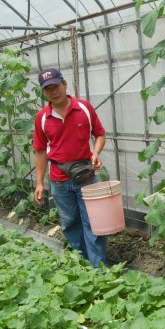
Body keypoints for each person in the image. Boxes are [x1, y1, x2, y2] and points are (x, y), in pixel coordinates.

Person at [32, 68, 108, 267]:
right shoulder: (42, 117)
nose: (53, 92)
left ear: (64, 84)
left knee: (93, 223)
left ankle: (99, 268)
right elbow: (40, 151)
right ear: (43, 93)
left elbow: (100, 134)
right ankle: (82, 264)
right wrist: (39, 183)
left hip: (86, 176)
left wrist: (96, 153)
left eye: (56, 86)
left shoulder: (84, 108)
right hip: (59, 179)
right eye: (48, 89)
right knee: (69, 223)